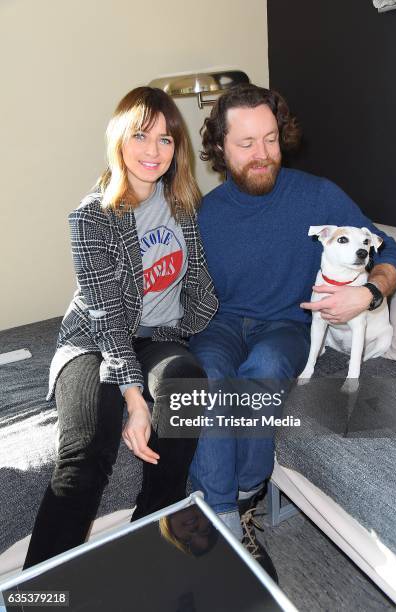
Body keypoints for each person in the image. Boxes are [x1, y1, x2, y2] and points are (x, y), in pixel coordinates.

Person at [188, 84, 396, 570]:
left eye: (270, 139)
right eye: (246, 144)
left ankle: (244, 496)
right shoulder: (207, 211)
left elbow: (392, 252)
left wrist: (369, 292)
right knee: (203, 380)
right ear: (220, 148)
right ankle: (223, 520)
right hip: (219, 324)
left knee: (263, 369)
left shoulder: (317, 195)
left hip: (285, 324)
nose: (262, 154)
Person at [23, 87, 218, 569]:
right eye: (141, 136)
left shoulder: (184, 206)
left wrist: (201, 318)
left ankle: (151, 539)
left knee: (186, 385)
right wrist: (134, 400)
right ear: (119, 140)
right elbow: (108, 317)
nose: (154, 151)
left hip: (158, 337)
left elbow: (196, 281)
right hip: (94, 339)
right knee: (87, 448)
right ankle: (38, 590)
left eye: (166, 139)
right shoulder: (91, 217)